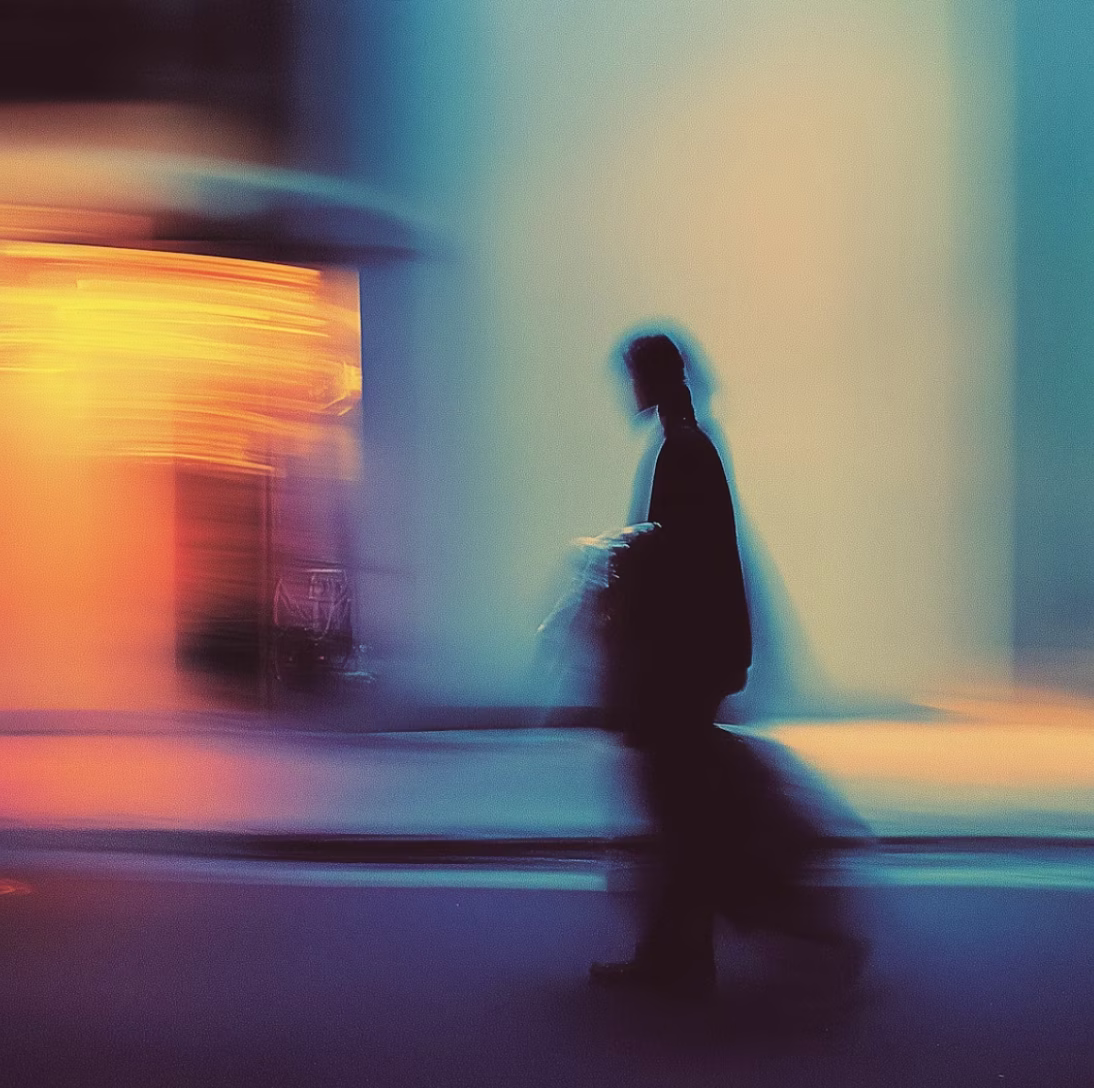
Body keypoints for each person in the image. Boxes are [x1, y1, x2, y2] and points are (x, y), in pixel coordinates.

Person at [590, 330, 752, 998]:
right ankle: (686, 954)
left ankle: (674, 957)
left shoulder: (682, 451)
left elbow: (676, 559)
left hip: (684, 660)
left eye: (633, 376)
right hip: (700, 655)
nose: (629, 391)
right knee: (681, 808)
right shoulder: (691, 443)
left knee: (676, 809)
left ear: (650, 381)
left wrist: (623, 573)